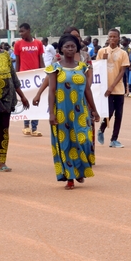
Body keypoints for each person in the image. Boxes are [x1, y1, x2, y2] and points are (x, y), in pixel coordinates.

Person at [45, 34, 100, 190]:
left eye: (73, 46)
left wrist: (94, 110)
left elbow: (87, 90)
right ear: (61, 49)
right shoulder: (55, 67)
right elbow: (52, 90)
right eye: (67, 46)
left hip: (80, 111)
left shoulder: (82, 67)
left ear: (77, 48)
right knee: (66, 143)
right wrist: (51, 114)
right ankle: (70, 177)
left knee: (84, 140)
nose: (70, 49)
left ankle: (80, 169)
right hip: (62, 111)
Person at [0, 21, 30, 172]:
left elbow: (13, 77)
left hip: (7, 97)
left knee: (5, 129)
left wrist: (22, 96)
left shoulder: (5, 55)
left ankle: (2, 162)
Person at [97, 29, 130, 148]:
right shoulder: (102, 51)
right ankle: (101, 129)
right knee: (109, 112)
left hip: (118, 88)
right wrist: (103, 60)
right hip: (105, 88)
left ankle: (114, 139)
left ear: (118, 38)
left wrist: (112, 86)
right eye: (110, 36)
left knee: (119, 114)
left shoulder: (123, 53)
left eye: (115, 37)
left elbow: (122, 72)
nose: (112, 39)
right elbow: (97, 69)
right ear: (108, 38)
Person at [13, 23, 44, 137]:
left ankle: (35, 127)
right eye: (19, 32)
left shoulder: (38, 43)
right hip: (24, 76)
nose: (21, 34)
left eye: (22, 31)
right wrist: (16, 76)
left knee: (36, 100)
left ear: (29, 30)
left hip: (35, 76)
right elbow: (17, 61)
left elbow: (40, 60)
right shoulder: (18, 44)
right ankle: (26, 126)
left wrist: (44, 72)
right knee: (25, 100)